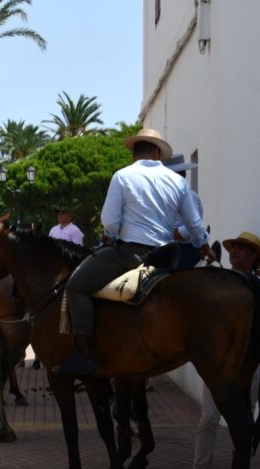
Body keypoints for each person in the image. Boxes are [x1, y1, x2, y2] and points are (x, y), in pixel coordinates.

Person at [61, 128, 214, 375]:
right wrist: (205, 247)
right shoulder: (177, 181)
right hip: (168, 255)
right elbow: (195, 225)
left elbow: (109, 221)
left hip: (130, 254)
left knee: (76, 285)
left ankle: (85, 354)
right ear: (156, 151)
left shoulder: (122, 176)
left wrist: (114, 232)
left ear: (135, 151)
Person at [187, 231, 260, 469]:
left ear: (254, 256)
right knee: (208, 418)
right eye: (234, 247)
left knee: (243, 421)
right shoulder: (217, 284)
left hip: (248, 365)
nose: (235, 252)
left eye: (243, 248)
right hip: (217, 364)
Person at [163, 154, 206, 269]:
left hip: (185, 249)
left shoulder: (190, 196)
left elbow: (190, 229)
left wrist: (170, 233)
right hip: (167, 247)